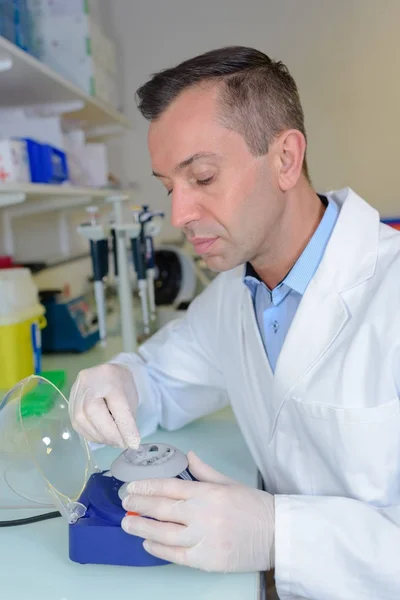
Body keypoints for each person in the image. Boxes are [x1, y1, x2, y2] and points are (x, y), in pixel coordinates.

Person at [69, 46, 400, 599]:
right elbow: (161, 381)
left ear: (286, 159)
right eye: (169, 187)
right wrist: (119, 380)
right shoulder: (233, 296)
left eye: (201, 176)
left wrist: (279, 534)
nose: (179, 215)